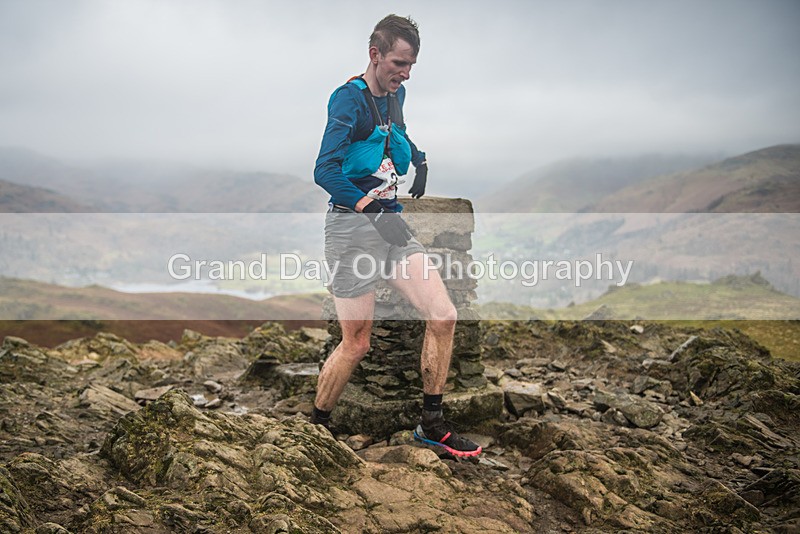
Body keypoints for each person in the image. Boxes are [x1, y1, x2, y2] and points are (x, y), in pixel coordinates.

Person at [310, 14, 481, 458]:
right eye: (399, 64)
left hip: (391, 224)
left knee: (443, 316)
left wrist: (419, 160)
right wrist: (368, 208)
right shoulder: (347, 100)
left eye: (410, 67)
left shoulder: (395, 95)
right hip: (352, 229)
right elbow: (324, 170)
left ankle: (432, 424)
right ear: (375, 55)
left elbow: (396, 134)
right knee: (357, 342)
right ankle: (318, 426)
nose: (405, 74)